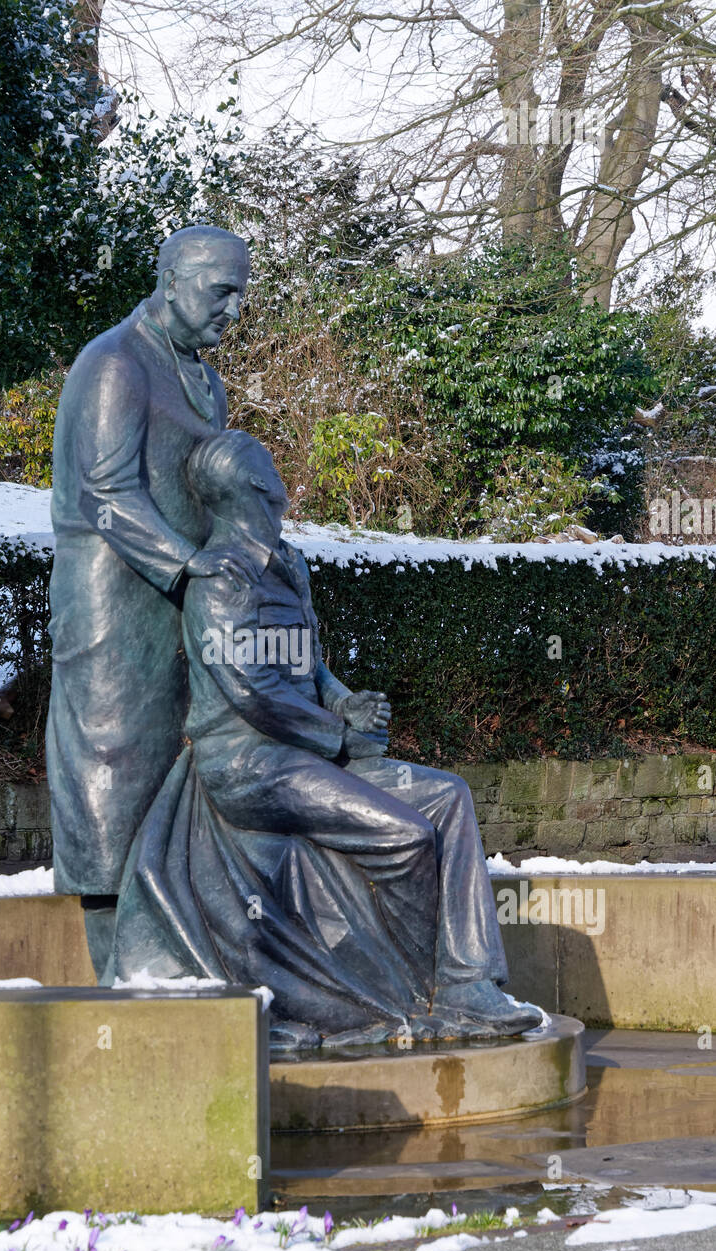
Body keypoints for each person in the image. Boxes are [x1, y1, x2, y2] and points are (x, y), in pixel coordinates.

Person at [110, 430, 543, 1044]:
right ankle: (401, 987)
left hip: (305, 751)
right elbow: (251, 691)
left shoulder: (288, 563)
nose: (280, 472)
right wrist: (339, 737)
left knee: (449, 797)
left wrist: (345, 701)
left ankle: (467, 987)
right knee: (406, 834)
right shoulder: (222, 580)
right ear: (260, 485)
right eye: (270, 463)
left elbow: (307, 666)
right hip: (251, 765)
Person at [46, 227, 259, 976]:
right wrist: (190, 561)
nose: (233, 308)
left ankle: (175, 963)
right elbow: (106, 493)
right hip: (111, 602)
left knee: (179, 773)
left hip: (180, 597)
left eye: (241, 292)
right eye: (220, 290)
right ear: (172, 280)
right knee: (112, 774)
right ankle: (118, 983)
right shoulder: (113, 363)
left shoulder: (204, 376)